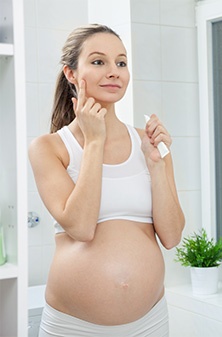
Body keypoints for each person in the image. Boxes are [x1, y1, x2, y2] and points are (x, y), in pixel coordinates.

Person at [29, 24, 185, 337]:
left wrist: (156, 164)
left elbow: (171, 236)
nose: (114, 71)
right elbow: (81, 227)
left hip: (151, 323)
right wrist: (95, 141)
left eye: (121, 62)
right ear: (71, 74)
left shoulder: (150, 144)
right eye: (99, 62)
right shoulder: (49, 148)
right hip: (73, 327)